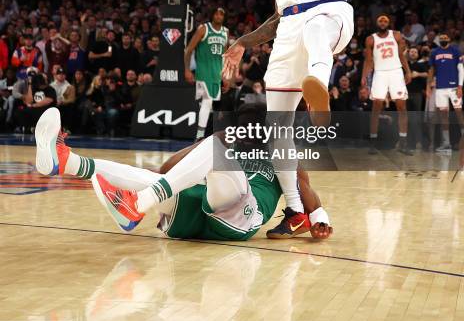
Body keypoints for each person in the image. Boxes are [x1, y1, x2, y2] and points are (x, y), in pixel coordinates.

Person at [223, 0, 421, 237]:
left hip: (329, 14)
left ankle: (318, 88)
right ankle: (296, 212)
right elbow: (280, 16)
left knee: (315, 30)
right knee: (275, 127)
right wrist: (244, 40)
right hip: (289, 30)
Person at [34, 105, 332, 240]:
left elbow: (310, 198)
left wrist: (320, 220)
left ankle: (138, 204)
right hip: (200, 216)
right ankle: (67, 161)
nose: (247, 133)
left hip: (245, 215)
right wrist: (208, 140)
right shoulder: (228, 147)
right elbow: (167, 170)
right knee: (153, 179)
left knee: (211, 153)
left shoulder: (283, 157)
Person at [361, 15, 412, 154]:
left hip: (396, 72)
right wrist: (364, 78)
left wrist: (408, 71)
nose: (383, 22)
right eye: (380, 20)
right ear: (376, 23)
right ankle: (373, 143)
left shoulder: (396, 35)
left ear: (389, 23)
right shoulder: (370, 39)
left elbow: (401, 55)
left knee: (401, 106)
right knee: (376, 107)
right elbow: (368, 60)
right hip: (380, 73)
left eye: (385, 21)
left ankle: (403, 143)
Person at [185, 7, 228, 139]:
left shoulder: (225, 32)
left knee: (208, 104)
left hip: (216, 73)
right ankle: (199, 136)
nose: (219, 16)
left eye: (221, 14)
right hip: (203, 72)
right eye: (216, 13)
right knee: (207, 101)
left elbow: (225, 56)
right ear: (212, 15)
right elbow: (189, 50)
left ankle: (203, 133)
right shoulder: (204, 29)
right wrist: (187, 69)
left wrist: (225, 76)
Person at [427, 33, 464, 153]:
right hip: (440, 88)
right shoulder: (434, 52)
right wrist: (428, 86)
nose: (443, 39)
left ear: (450, 39)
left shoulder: (455, 51)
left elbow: (461, 69)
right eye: (441, 38)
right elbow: (431, 70)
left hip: (454, 87)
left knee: (459, 113)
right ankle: (446, 144)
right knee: (443, 116)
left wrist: (460, 86)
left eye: (445, 38)